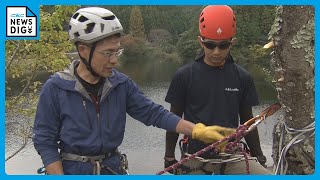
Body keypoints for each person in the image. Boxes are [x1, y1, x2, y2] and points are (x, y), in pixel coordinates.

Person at [32, 7, 236, 175]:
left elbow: (153, 113)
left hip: (112, 169)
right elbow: (44, 140)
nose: (114, 59)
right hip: (72, 170)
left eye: (117, 51)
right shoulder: (57, 88)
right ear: (83, 50)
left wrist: (197, 130)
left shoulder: (120, 85)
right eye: (107, 53)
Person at [163, 5, 271, 175]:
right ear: (200, 41)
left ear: (232, 43)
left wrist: (259, 156)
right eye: (210, 45)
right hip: (195, 156)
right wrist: (168, 156)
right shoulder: (184, 76)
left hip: (231, 155)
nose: (216, 52)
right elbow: (174, 119)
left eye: (223, 46)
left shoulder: (242, 77)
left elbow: (247, 121)